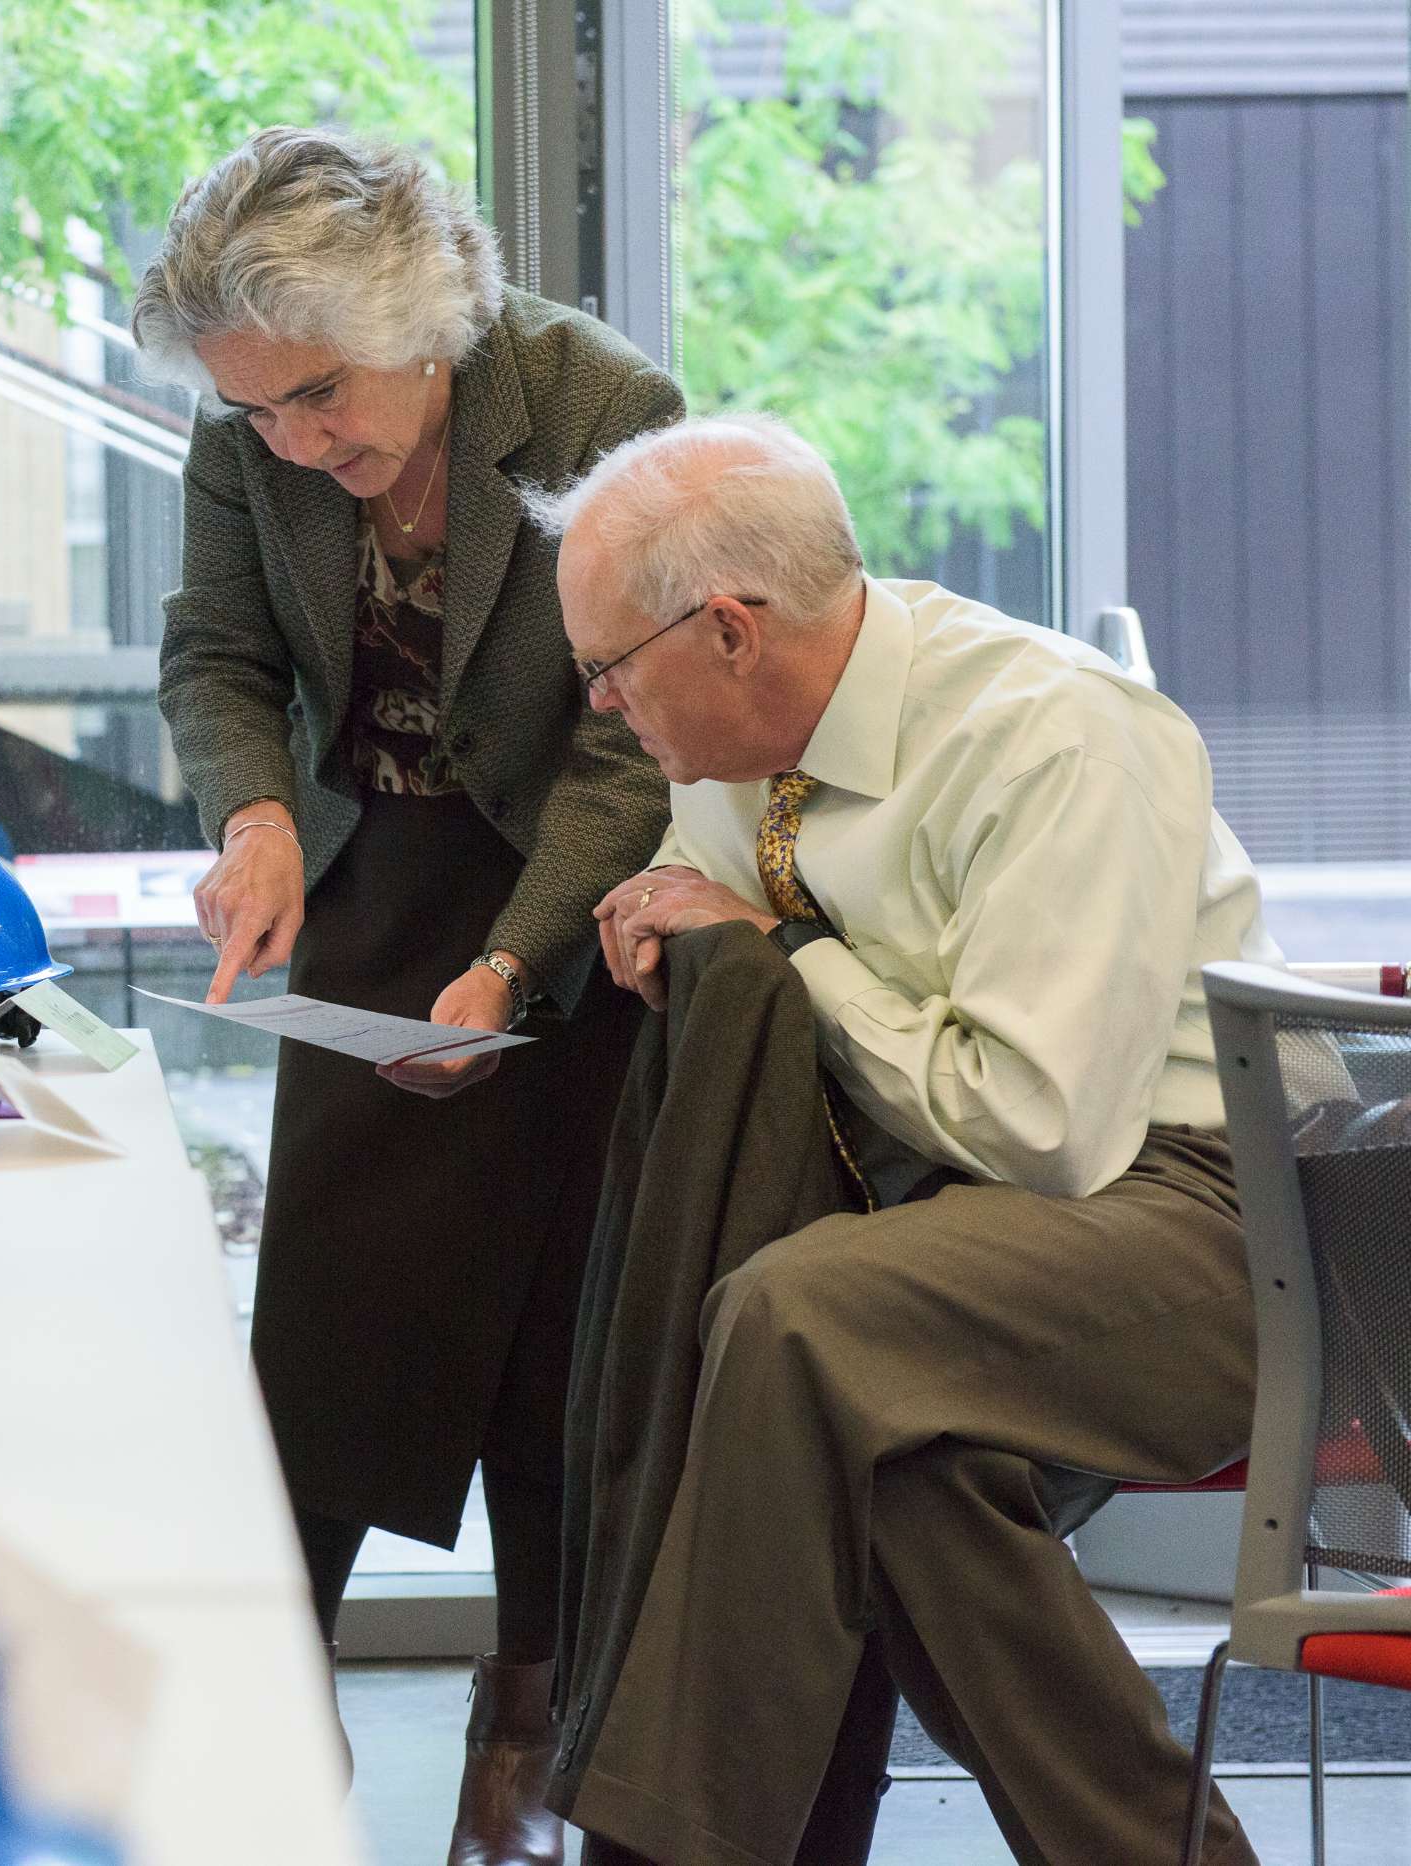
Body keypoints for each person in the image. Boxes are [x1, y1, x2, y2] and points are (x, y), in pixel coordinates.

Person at [546, 413, 1276, 1865]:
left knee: (797, 1315)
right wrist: (660, 918)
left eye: (608, 670)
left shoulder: (1054, 735)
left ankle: (666, 1847)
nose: (607, 711)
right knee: (905, 1477)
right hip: (950, 1226)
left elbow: (1042, 1127)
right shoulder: (741, 745)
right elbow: (696, 887)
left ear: (734, 631)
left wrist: (780, 953)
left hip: (1202, 1228)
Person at [134, 125, 679, 1861]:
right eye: (260, 415)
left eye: (318, 400)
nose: (297, 443)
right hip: (369, 899)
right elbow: (218, 653)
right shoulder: (254, 431)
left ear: (423, 311)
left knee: (549, 1356)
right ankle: (268, 1746)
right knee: (323, 1345)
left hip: (572, 908)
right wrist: (259, 816)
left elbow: (633, 747)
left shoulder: (599, 408)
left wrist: (517, 961)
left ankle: (524, 1741)